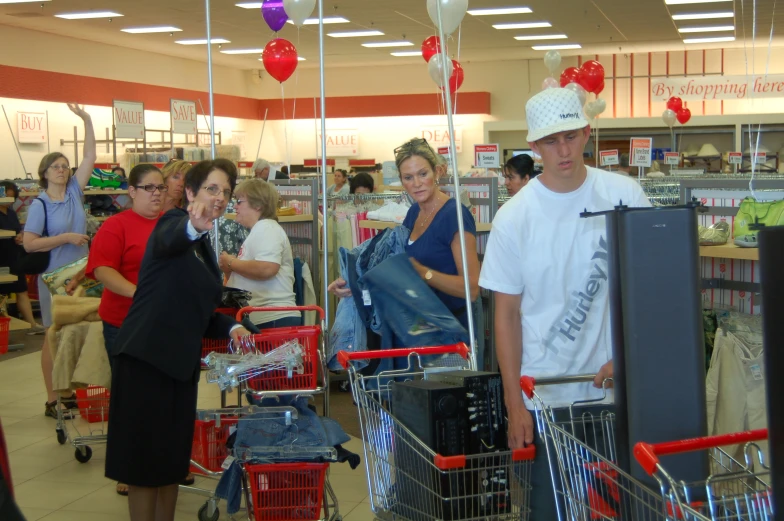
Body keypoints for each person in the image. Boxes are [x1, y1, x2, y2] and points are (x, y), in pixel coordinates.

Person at [478, 88, 651, 521]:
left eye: (571, 136)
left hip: (616, 396)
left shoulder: (625, 195)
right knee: (551, 511)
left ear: (587, 133)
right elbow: (506, 315)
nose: (564, 150)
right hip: (547, 402)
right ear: (534, 147)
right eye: (551, 141)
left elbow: (650, 289)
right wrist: (514, 402)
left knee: (625, 511)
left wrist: (630, 356)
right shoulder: (514, 218)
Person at [105, 160, 250, 521]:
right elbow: (172, 238)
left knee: (171, 464)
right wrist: (191, 225)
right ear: (189, 193)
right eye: (211, 189)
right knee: (143, 467)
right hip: (146, 362)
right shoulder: (172, 226)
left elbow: (199, 309)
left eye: (226, 192)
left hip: (178, 367)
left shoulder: (204, 248)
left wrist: (233, 328)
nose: (219, 198)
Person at [329, 137, 479, 330]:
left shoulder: (455, 215)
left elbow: (472, 288)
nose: (416, 183)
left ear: (437, 172)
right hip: (416, 326)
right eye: (408, 177)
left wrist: (423, 273)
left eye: (423, 174)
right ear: (401, 180)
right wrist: (353, 283)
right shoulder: (414, 213)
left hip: (448, 333)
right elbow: (394, 265)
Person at [85, 164, 169, 496]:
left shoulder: (172, 224)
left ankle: (167, 462)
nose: (157, 194)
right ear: (131, 192)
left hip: (165, 325)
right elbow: (102, 269)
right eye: (149, 188)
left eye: (160, 188)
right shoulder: (116, 226)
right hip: (125, 325)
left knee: (165, 397)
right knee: (130, 397)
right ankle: (129, 468)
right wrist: (138, 293)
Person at [24, 103, 94, 419]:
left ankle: (69, 393)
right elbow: (29, 244)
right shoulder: (40, 204)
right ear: (44, 173)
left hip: (81, 274)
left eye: (65, 165)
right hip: (54, 277)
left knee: (77, 333)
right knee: (53, 335)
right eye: (56, 166)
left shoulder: (74, 192)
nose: (63, 170)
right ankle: (53, 398)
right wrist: (66, 238)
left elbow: (90, 157)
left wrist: (87, 120)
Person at [218, 179, 300, 329]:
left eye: (239, 201)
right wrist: (230, 269)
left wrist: (231, 262)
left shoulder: (266, 228)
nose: (235, 206)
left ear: (258, 205)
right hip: (266, 317)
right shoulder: (260, 230)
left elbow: (266, 268)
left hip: (273, 319)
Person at [0, 181, 44, 334]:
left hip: (13, 255)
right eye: (6, 196)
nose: (8, 200)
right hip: (0, 257)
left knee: (21, 290)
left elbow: (17, 231)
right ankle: (3, 325)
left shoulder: (11, 213)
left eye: (11, 198)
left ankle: (31, 324)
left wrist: (20, 236)